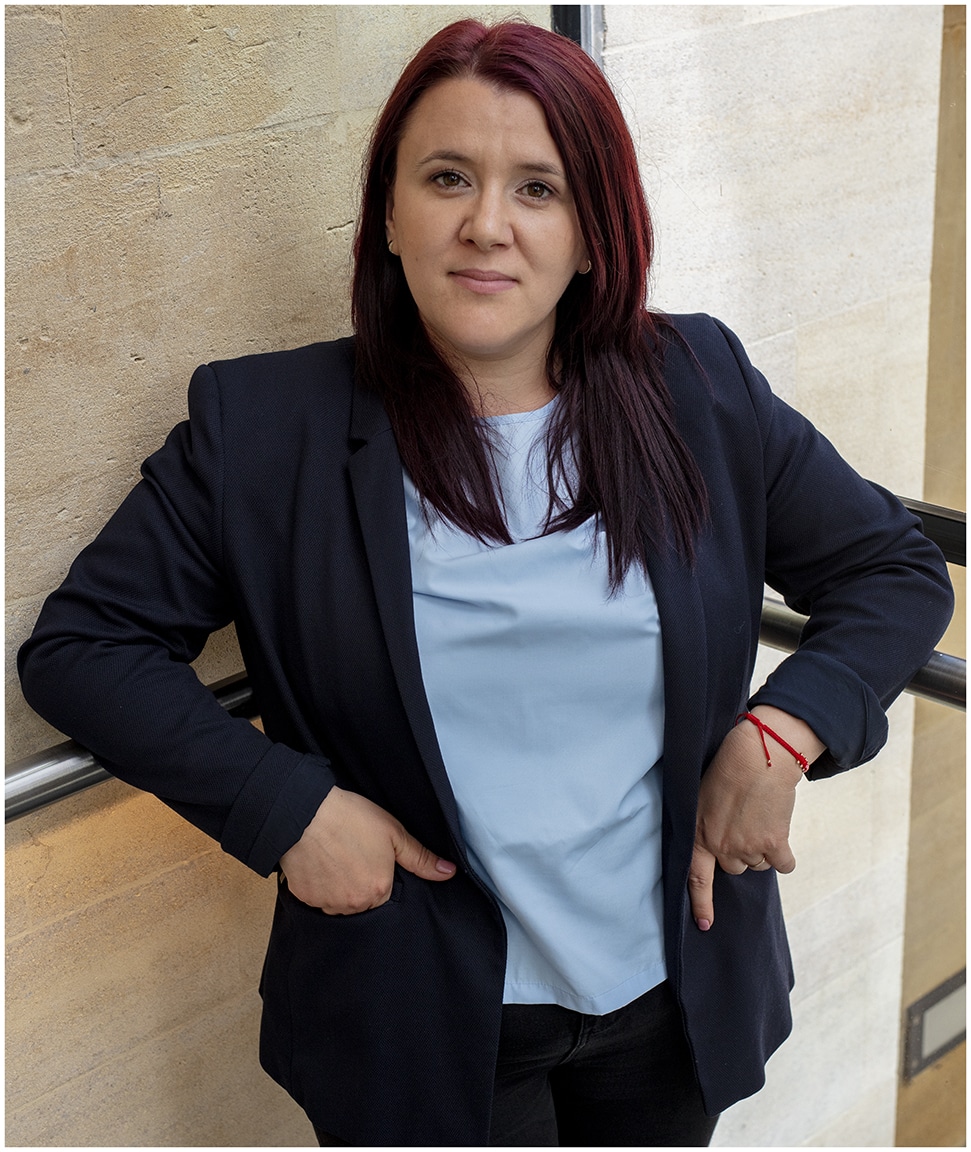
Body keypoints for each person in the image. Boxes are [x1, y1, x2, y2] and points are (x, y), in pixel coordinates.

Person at [18, 18, 952, 1148]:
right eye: (447, 178)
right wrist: (287, 810)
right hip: (420, 1014)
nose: (486, 226)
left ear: (593, 232)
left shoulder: (695, 385)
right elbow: (84, 651)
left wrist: (786, 729)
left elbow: (887, 569)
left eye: (538, 188)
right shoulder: (263, 429)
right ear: (389, 216)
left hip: (669, 994)